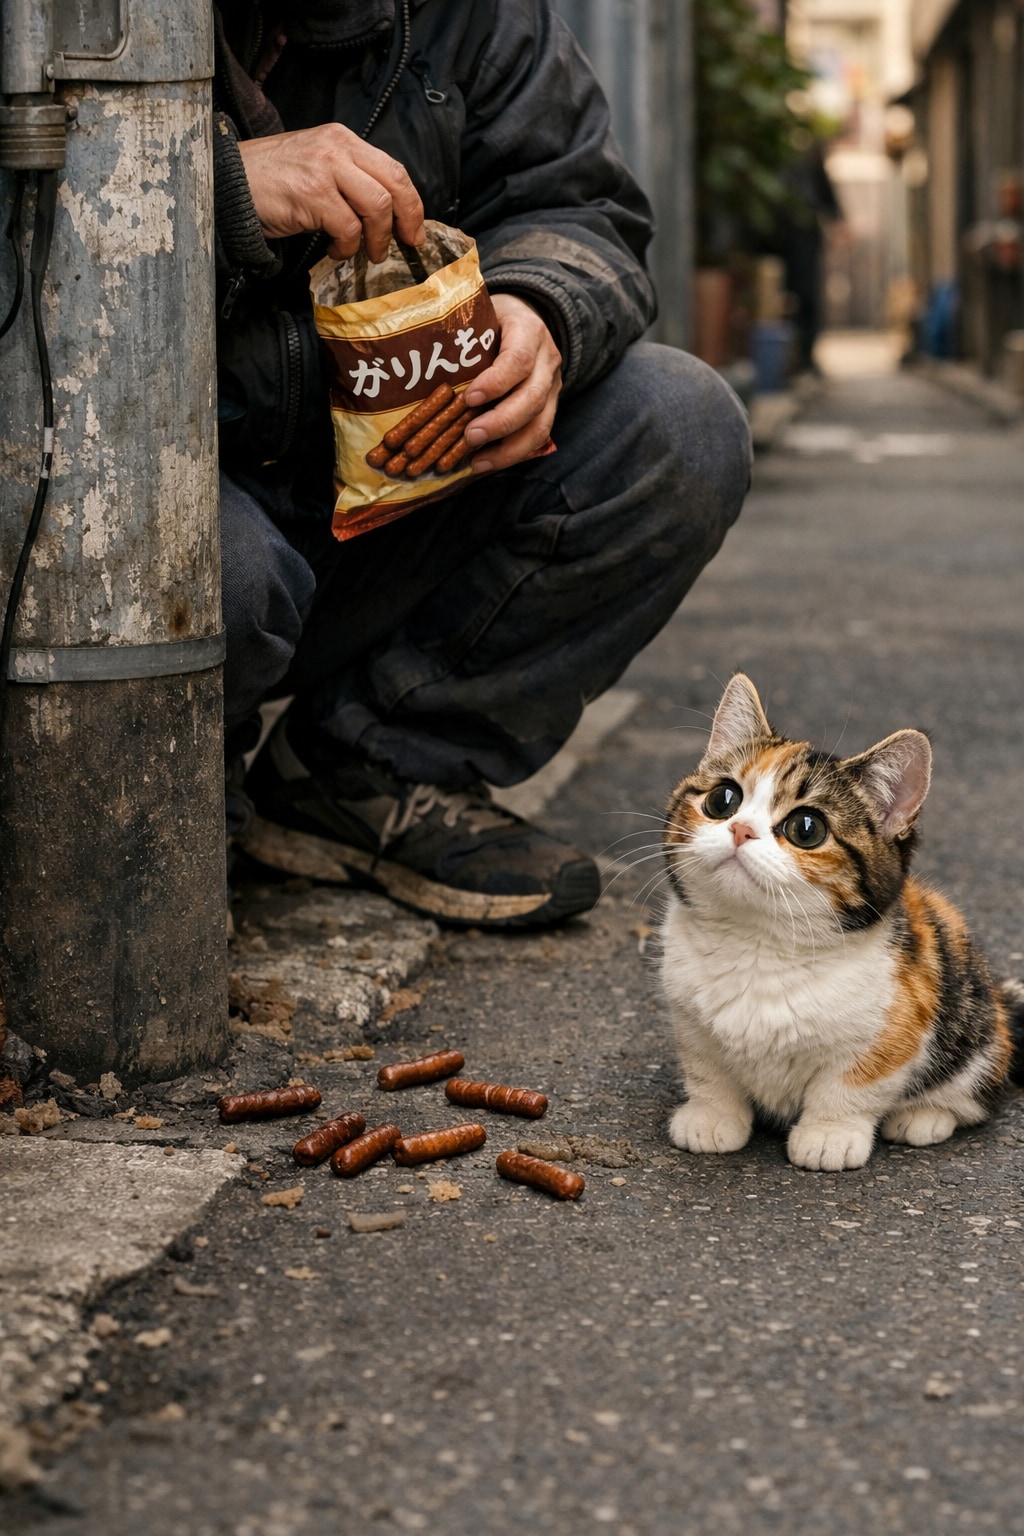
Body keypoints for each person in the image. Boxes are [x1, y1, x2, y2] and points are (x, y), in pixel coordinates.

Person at [213, 0, 752, 930]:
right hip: (163, 498)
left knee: (679, 425)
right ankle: (163, 809)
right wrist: (212, 183)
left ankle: (363, 769)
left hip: (384, 492)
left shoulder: (474, 14)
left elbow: (579, 202)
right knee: (211, 573)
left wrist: (544, 309)